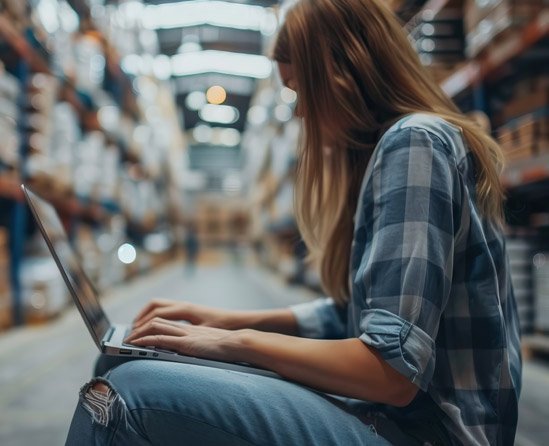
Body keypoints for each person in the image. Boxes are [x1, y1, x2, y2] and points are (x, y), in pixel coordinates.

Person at [65, 0, 522, 445]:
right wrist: (218, 320)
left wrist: (231, 342)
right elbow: (354, 315)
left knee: (132, 394)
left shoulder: (414, 143)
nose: (300, 111)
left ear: (343, 74)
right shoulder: (394, 149)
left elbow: (390, 371)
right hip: (397, 422)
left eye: (301, 91)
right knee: (117, 364)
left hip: (426, 433)